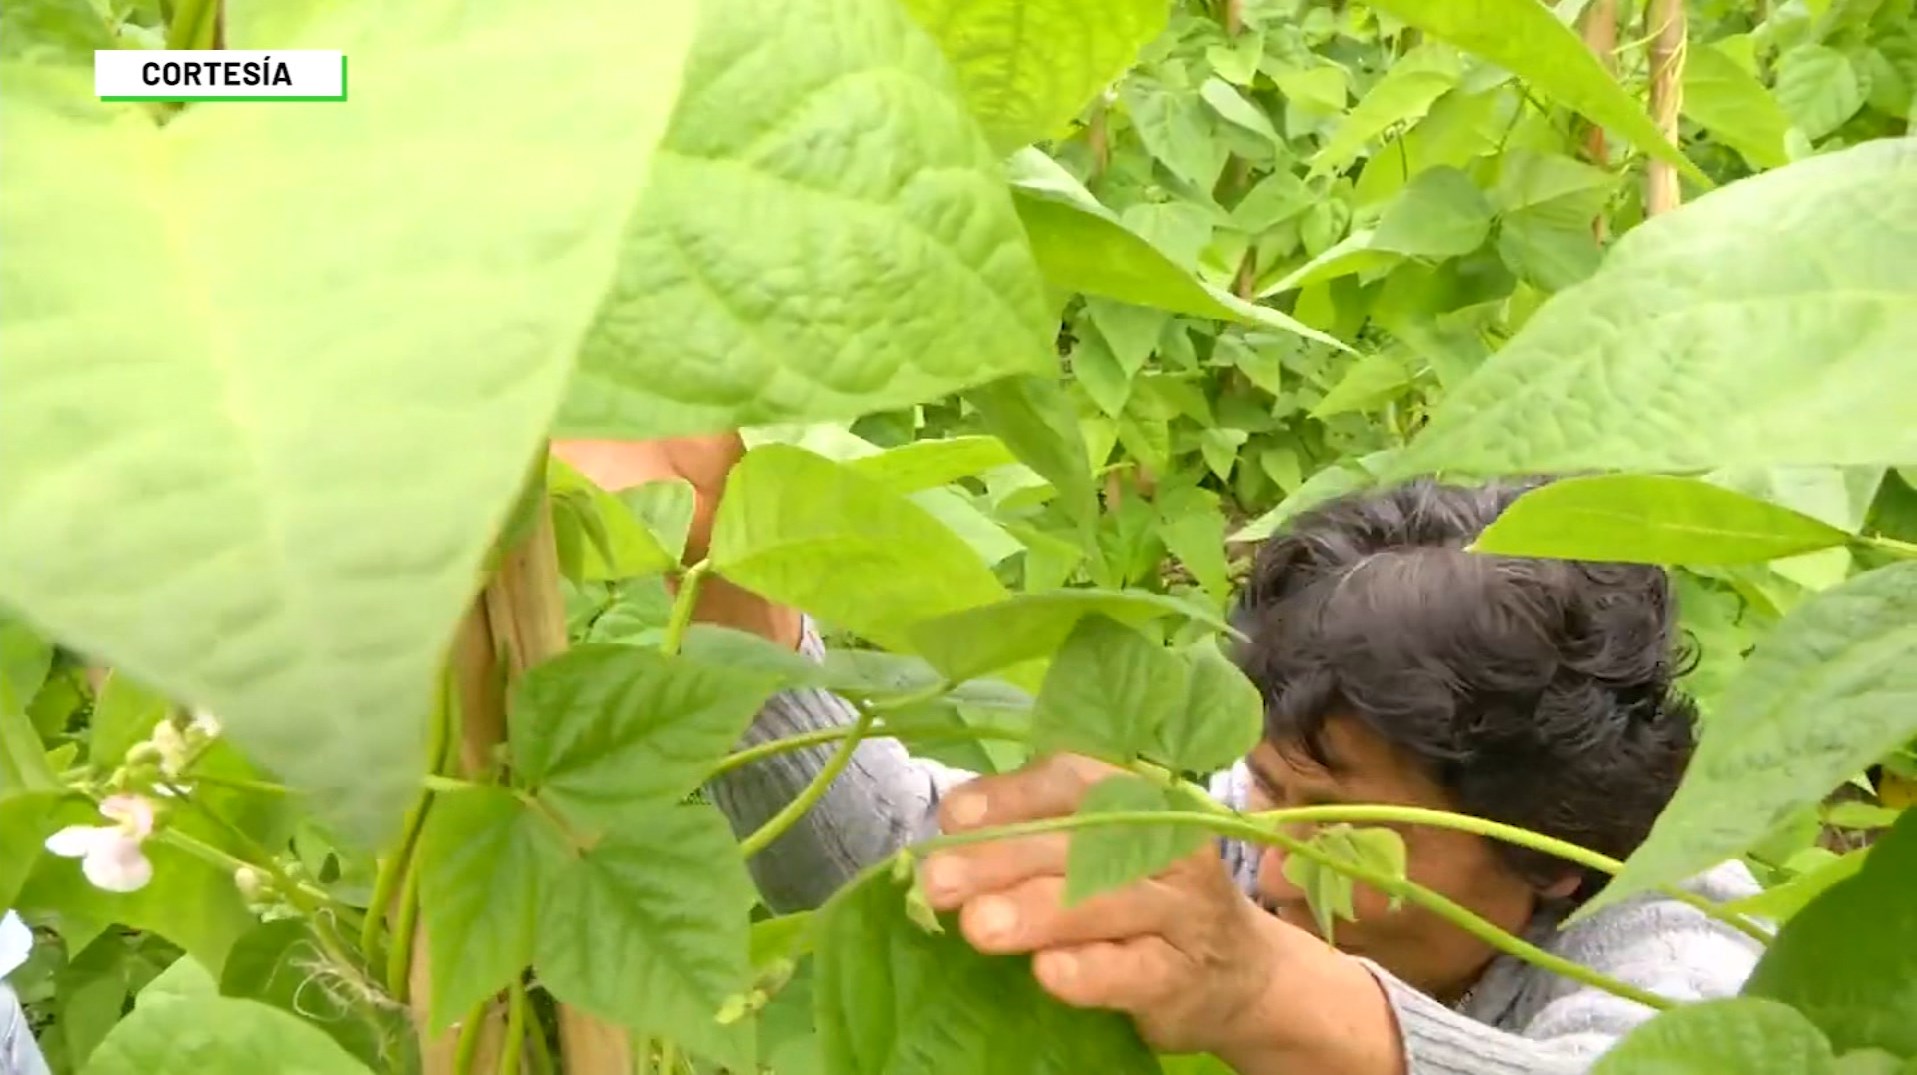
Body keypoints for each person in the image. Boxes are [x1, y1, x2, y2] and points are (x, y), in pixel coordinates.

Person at [553, 434, 1764, 1075]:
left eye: (1331, 816)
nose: (1278, 864)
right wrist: (734, 598)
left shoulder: (1677, 938)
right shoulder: (1253, 824)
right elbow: (901, 868)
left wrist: (1253, 985)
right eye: (1271, 786)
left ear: (1555, 851)